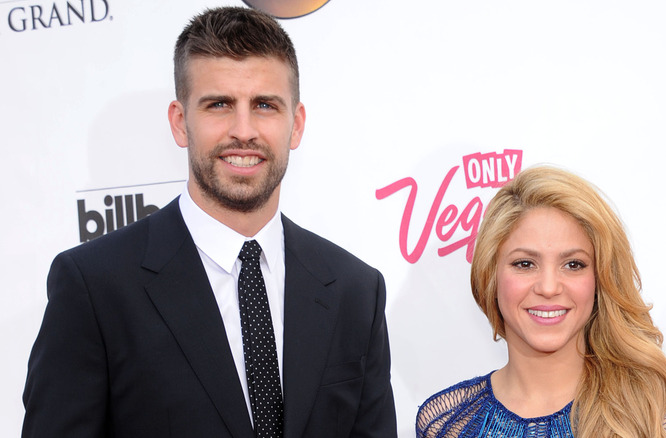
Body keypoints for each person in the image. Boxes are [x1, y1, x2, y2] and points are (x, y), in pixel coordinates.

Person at [22, 6, 396, 438]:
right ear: (181, 123)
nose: (244, 130)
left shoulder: (355, 290)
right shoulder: (94, 288)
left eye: (265, 105)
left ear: (295, 125)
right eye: (219, 104)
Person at [416, 166, 666, 438]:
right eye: (524, 263)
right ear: (490, 275)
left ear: (600, 280)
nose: (548, 287)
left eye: (573, 264)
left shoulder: (660, 415)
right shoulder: (447, 424)